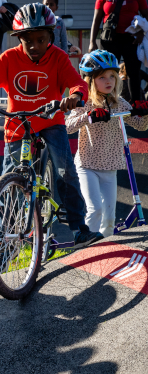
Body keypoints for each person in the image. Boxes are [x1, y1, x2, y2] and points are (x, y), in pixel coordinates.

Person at [0, 3, 105, 248]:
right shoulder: (9, 58)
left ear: (51, 37)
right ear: (19, 39)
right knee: (10, 178)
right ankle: (8, 235)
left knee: (65, 171)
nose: (34, 46)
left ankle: (79, 229)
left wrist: (75, 96)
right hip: (18, 123)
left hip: (50, 121)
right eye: (28, 41)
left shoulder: (58, 57)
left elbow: (77, 83)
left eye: (41, 40)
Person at [66, 50, 148, 237]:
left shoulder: (119, 103)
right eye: (102, 77)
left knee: (109, 217)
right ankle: (86, 245)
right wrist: (88, 117)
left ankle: (106, 249)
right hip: (87, 165)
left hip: (110, 166)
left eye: (112, 76)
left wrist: (144, 113)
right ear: (90, 80)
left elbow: (140, 125)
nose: (108, 81)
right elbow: (68, 127)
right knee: (95, 209)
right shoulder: (85, 103)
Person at [89, 0, 148, 102]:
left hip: (131, 38)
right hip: (110, 39)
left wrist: (141, 32)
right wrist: (92, 42)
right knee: (108, 72)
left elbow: (146, 14)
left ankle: (136, 104)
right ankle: (108, 103)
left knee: (133, 72)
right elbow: (97, 18)